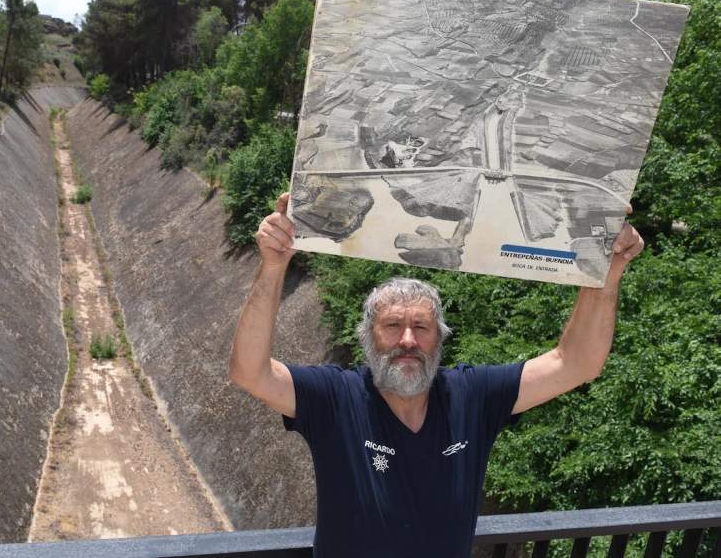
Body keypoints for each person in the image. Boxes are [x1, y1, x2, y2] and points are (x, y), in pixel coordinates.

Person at [228, 192, 644, 557]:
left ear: (439, 339)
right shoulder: (335, 397)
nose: (407, 340)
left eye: (421, 327)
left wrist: (604, 279)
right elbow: (250, 372)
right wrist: (273, 267)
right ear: (368, 338)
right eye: (392, 326)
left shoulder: (472, 394)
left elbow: (576, 364)